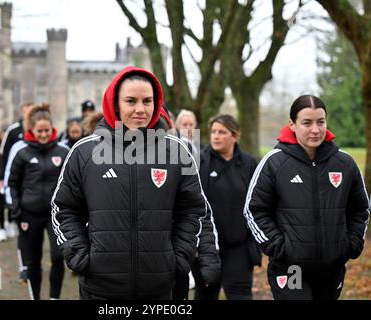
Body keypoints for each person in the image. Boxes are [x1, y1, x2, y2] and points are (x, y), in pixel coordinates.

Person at [51, 66, 218, 300]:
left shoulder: (177, 152)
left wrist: (178, 257)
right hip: (100, 288)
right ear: (115, 104)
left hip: (159, 287)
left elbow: (193, 209)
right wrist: (79, 255)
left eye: (147, 101)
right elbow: (64, 208)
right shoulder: (84, 151)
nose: (141, 109)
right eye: (131, 101)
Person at [244, 95, 370, 300]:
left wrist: (351, 243)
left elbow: (360, 209)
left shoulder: (344, 163)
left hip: (332, 268)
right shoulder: (274, 162)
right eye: (307, 123)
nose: (315, 129)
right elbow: (254, 209)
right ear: (292, 125)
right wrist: (278, 247)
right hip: (291, 268)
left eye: (321, 122)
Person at [5, 103, 69, 300]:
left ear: (52, 129)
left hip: (54, 215)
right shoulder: (21, 150)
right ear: (31, 129)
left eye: (47, 130)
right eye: (39, 131)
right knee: (33, 262)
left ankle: (54, 297)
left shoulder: (63, 151)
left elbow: (71, 184)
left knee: (58, 257)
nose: (43, 135)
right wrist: (14, 206)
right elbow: (11, 182)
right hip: (28, 213)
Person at [192, 114, 260, 300]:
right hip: (207, 246)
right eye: (213, 131)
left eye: (222, 132)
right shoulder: (200, 161)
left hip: (238, 245)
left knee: (240, 294)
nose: (216, 136)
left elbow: (257, 202)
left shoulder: (248, 163)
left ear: (235, 136)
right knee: (205, 293)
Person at [0, 101, 34, 280]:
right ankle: (24, 265)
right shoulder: (13, 131)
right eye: (26, 112)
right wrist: (1, 179)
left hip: (32, 186)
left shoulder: (39, 130)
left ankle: (32, 263)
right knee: (21, 223)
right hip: (16, 183)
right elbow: (4, 155)